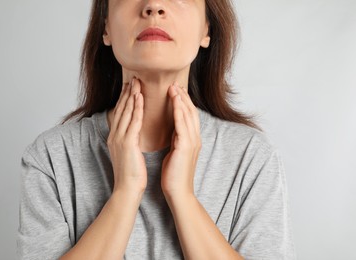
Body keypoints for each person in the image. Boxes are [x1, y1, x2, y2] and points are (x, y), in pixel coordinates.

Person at [17, 0, 296, 259]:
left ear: (207, 29)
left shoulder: (252, 158)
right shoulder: (51, 157)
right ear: (106, 28)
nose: (154, 6)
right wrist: (126, 192)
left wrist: (182, 195)